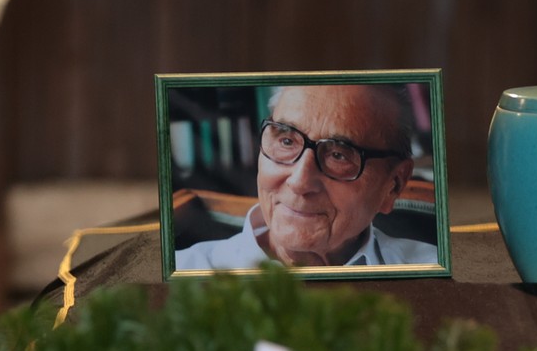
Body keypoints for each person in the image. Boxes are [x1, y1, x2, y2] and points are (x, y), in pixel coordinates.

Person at [175, 85, 439, 269]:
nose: (299, 182)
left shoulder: (433, 274)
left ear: (393, 185)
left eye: (338, 155)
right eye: (287, 141)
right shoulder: (185, 273)